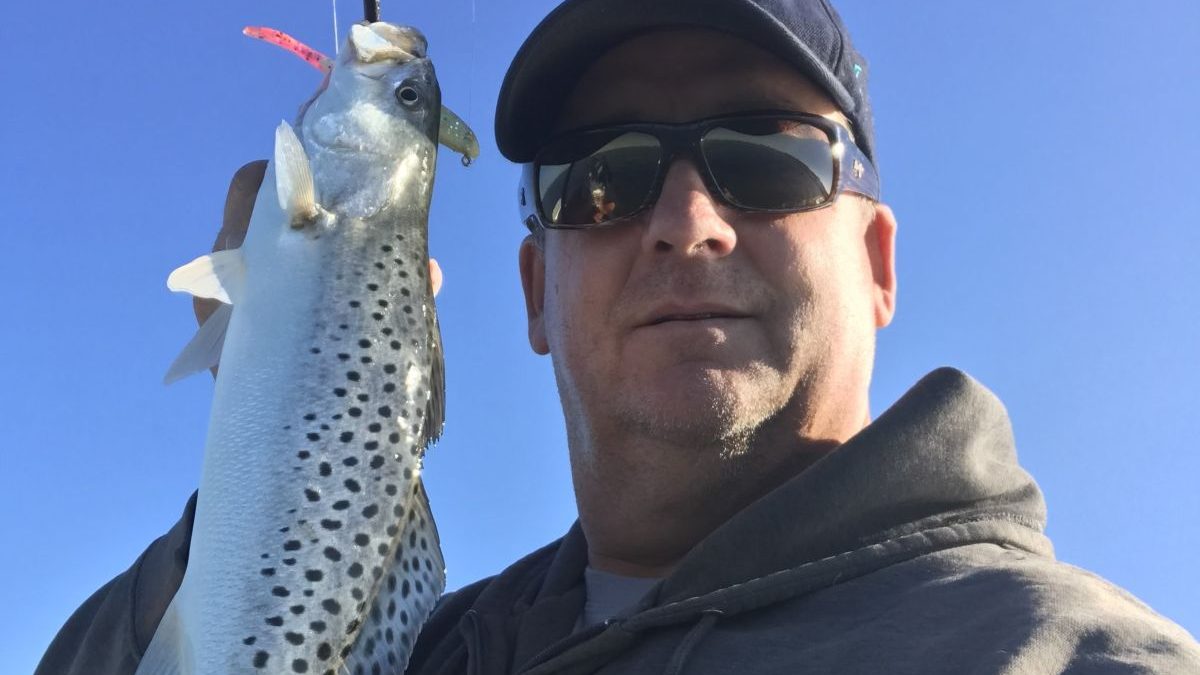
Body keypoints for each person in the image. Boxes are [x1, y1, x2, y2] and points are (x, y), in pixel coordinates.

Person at [37, 0, 1200, 673]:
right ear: (536, 289)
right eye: (604, 181)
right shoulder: (438, 654)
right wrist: (291, 427)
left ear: (879, 262)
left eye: (765, 160)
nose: (687, 224)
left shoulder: (1057, 656)